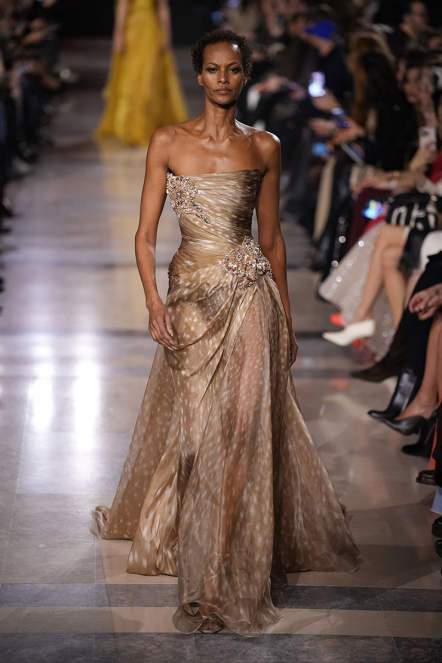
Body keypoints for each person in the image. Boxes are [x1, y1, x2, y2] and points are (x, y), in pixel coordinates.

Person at [94, 28, 360, 637]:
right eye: (213, 69)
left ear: (244, 76)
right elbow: (144, 234)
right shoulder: (168, 141)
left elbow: (272, 240)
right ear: (199, 75)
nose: (222, 79)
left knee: (239, 435)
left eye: (233, 70)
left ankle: (213, 578)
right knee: (196, 437)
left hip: (250, 297)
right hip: (189, 299)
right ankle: (191, 539)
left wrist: (286, 317)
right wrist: (152, 300)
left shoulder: (264, 146)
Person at [95, 0, 188, 146]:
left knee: (149, 79)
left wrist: (167, 34)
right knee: (132, 79)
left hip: (151, 32)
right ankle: (131, 126)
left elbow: (162, 6)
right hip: (133, 32)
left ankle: (147, 123)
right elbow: (123, 5)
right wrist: (119, 34)